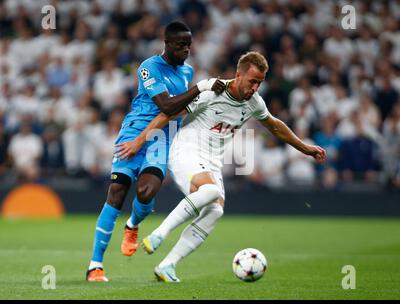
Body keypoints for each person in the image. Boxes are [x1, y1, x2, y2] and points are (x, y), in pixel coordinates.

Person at [116, 51, 327, 282]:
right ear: (238, 75)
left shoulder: (254, 102)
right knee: (212, 191)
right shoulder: (212, 92)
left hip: (211, 162)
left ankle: (167, 265)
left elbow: (275, 126)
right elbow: (168, 114)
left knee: (215, 210)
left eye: (259, 83)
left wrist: (305, 148)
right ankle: (158, 234)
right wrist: (138, 142)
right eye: (252, 81)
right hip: (185, 150)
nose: (255, 88)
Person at [86, 21, 225, 282]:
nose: (186, 50)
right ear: (167, 43)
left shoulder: (187, 71)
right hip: (133, 132)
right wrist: (201, 87)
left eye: (189, 45)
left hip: (162, 139)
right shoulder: (148, 67)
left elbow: (182, 109)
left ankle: (133, 224)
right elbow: (166, 105)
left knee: (146, 191)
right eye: (181, 45)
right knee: (116, 193)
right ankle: (95, 265)